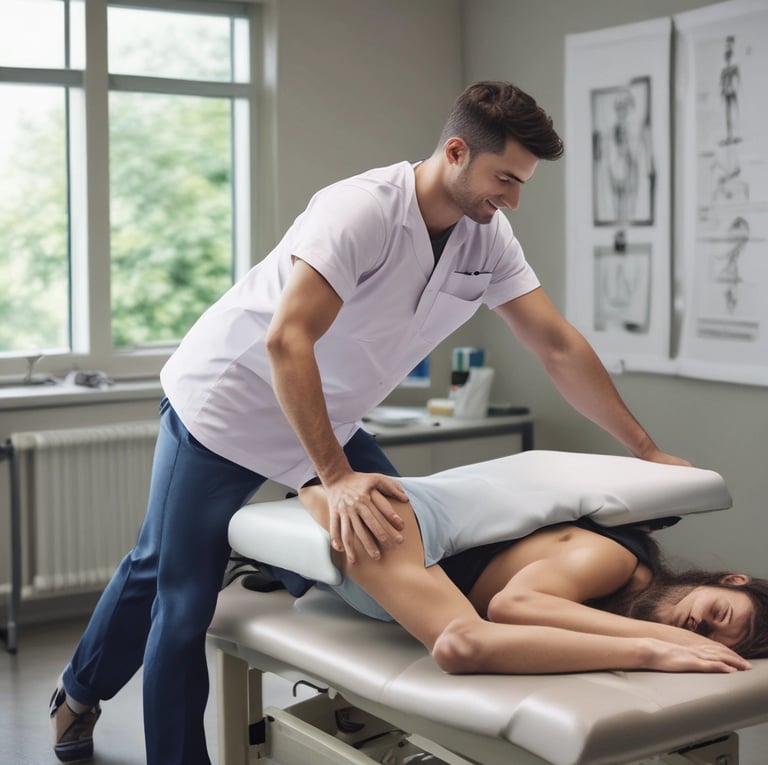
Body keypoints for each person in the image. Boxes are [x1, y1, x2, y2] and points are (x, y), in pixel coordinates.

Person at [50, 81, 691, 764]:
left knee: (403, 544)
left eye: (522, 183)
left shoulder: (487, 237)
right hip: (228, 403)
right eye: (505, 178)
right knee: (177, 596)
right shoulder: (359, 210)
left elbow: (556, 345)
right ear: (455, 151)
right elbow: (286, 341)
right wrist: (333, 475)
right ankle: (80, 695)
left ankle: (275, 563)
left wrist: (646, 450)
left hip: (325, 411)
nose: (512, 198)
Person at [299, 478, 767, 672]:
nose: (699, 629)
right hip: (387, 516)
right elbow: (513, 606)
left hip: (380, 574)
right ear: (727, 580)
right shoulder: (620, 562)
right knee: (463, 644)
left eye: (715, 639)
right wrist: (656, 648)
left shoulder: (619, 606)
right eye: (717, 613)